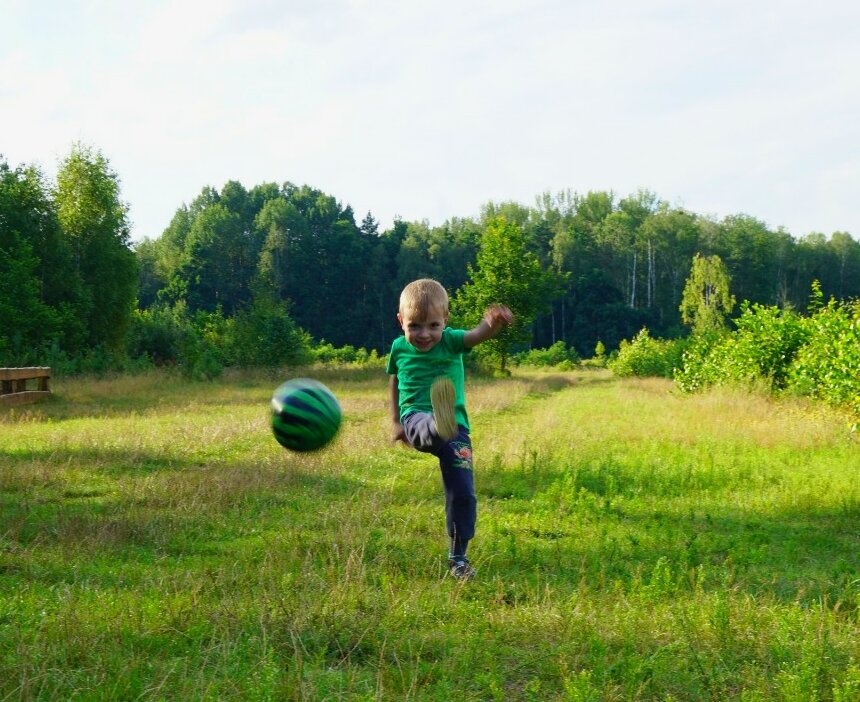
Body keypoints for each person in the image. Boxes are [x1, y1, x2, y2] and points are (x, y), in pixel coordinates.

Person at [386, 278, 513, 579]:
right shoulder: (398, 348)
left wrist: (491, 324)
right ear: (400, 320)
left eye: (433, 325)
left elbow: (476, 336)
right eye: (414, 326)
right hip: (416, 417)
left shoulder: (452, 340)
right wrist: (395, 421)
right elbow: (394, 380)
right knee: (427, 429)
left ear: (445, 320)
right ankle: (436, 424)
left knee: (463, 492)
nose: (424, 334)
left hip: (456, 430)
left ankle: (459, 558)